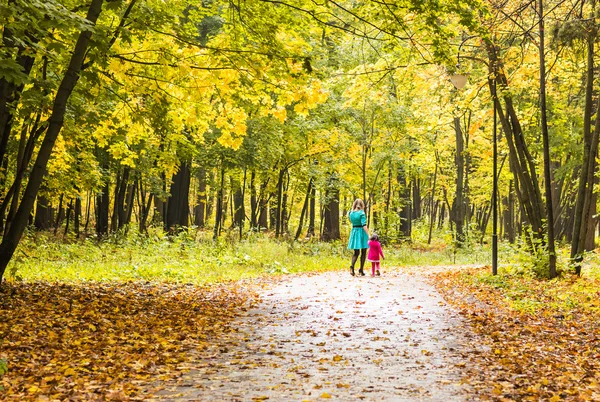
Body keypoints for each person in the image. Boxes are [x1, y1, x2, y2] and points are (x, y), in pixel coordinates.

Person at [347, 198, 369, 276]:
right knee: (363, 252)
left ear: (355, 204)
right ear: (362, 205)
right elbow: (364, 225)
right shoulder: (362, 213)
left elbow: (350, 221)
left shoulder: (350, 213)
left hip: (354, 232)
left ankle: (352, 267)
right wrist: (368, 234)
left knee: (356, 252)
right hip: (361, 233)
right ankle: (361, 270)